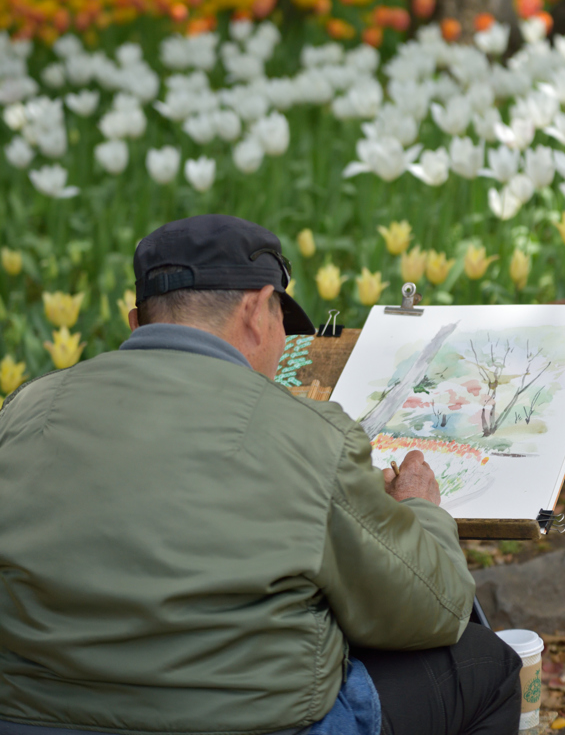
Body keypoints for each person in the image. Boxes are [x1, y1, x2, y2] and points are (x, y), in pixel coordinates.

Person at [0, 215, 521, 735]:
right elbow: (434, 607)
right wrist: (420, 511)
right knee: (486, 666)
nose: (282, 345)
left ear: (138, 324)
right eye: (281, 322)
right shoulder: (310, 436)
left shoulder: (23, 412)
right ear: (255, 311)